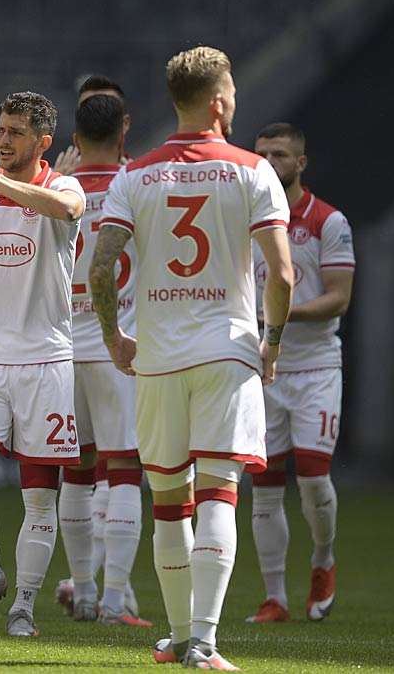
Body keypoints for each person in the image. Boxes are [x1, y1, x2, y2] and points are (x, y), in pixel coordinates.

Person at [93, 46, 294, 670]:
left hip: (156, 357)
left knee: (169, 501)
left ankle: (180, 636)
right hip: (225, 353)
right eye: (231, 93)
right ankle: (203, 639)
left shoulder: (136, 175)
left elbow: (102, 266)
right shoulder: (252, 171)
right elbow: (282, 273)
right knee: (218, 494)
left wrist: (112, 338)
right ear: (217, 102)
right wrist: (273, 339)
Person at [0, 91, 86, 638]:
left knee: (38, 496)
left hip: (45, 362)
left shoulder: (62, 186)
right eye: (0, 129)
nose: (2, 140)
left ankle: (25, 602)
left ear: (43, 141)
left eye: (15, 132)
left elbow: (71, 211)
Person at [246, 122, 353, 624]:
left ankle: (323, 559)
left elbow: (340, 297)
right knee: (264, 484)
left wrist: (280, 313)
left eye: (280, 154)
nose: (270, 161)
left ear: (301, 162)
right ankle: (275, 597)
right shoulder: (245, 217)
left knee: (312, 477)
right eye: (262, 153)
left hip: (314, 367)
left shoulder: (328, 221)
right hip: (265, 364)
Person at [54, 95, 151, 628]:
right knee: (123, 473)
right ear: (125, 127)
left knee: (77, 474)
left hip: (64, 348)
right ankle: (115, 601)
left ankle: (86, 591)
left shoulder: (55, 188)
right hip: (121, 346)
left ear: (75, 135)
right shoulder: (136, 184)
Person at [54, 75, 133, 175]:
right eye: (89, 109)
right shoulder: (56, 181)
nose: (97, 113)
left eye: (109, 107)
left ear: (125, 123)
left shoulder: (143, 179)